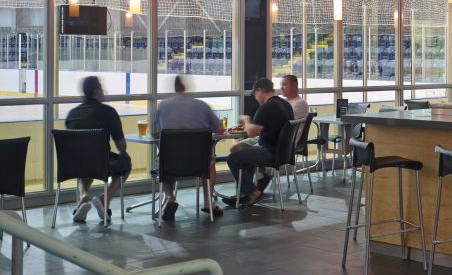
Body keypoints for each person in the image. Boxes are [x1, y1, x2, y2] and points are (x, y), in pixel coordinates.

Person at [151, 75, 226, 221]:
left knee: (163, 161)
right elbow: (220, 129)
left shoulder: (162, 105)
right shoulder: (202, 105)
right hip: (198, 163)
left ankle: (170, 198)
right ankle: (207, 202)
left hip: (171, 163)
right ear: (188, 87)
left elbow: (154, 133)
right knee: (210, 163)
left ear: (175, 88)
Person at [64, 76, 133, 223]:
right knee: (125, 163)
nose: (103, 91)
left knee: (85, 163)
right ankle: (104, 199)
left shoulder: (72, 114)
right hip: (101, 163)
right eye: (101, 88)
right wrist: (122, 152)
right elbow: (122, 146)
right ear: (96, 91)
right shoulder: (108, 112)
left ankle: (83, 197)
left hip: (75, 165)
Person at [225, 77, 294, 207]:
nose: (256, 98)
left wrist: (246, 120)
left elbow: (251, 132)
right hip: (284, 153)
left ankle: (253, 192)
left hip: (270, 151)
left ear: (260, 90)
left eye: (255, 94)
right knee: (244, 153)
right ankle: (246, 194)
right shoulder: (285, 104)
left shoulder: (267, 107)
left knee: (233, 159)